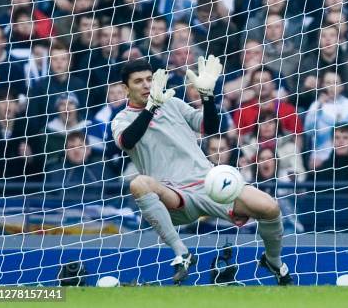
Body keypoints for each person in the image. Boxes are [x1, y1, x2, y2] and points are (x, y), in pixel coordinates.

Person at [111, 58, 293, 285]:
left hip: (208, 183)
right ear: (126, 89)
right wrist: (151, 108)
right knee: (138, 183)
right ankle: (182, 253)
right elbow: (127, 140)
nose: (147, 85)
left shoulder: (173, 104)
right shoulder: (121, 118)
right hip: (173, 194)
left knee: (270, 207)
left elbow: (212, 127)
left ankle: (273, 260)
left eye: (150, 79)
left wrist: (207, 96)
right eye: (139, 82)